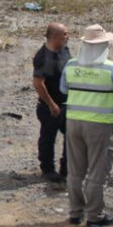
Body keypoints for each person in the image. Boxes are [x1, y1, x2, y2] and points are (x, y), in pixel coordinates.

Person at [60, 24, 113, 227]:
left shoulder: (71, 65)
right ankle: (95, 216)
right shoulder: (111, 68)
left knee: (75, 170)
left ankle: (76, 212)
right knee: (97, 170)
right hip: (99, 124)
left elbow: (63, 88)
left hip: (73, 121)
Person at [32, 23, 70, 183]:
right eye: (65, 34)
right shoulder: (43, 57)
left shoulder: (64, 50)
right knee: (48, 137)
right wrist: (51, 104)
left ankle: (66, 168)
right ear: (55, 36)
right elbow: (38, 83)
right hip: (50, 107)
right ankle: (47, 169)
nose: (68, 37)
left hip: (66, 103)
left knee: (71, 136)